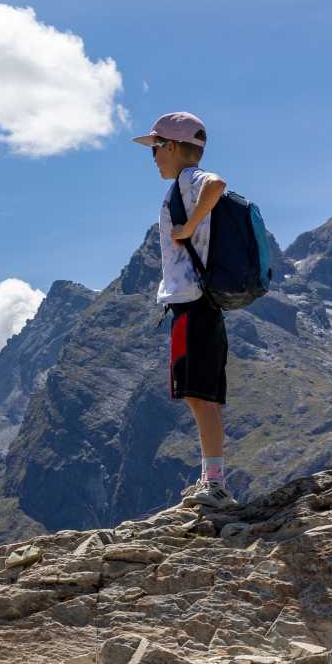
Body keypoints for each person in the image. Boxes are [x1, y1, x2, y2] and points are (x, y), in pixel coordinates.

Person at [132, 111, 235, 509]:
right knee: (202, 394)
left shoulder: (189, 180)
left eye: (155, 149)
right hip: (201, 303)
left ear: (172, 147)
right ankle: (212, 478)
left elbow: (217, 183)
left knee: (198, 394)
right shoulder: (184, 185)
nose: (154, 158)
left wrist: (188, 228)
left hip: (192, 303)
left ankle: (215, 483)